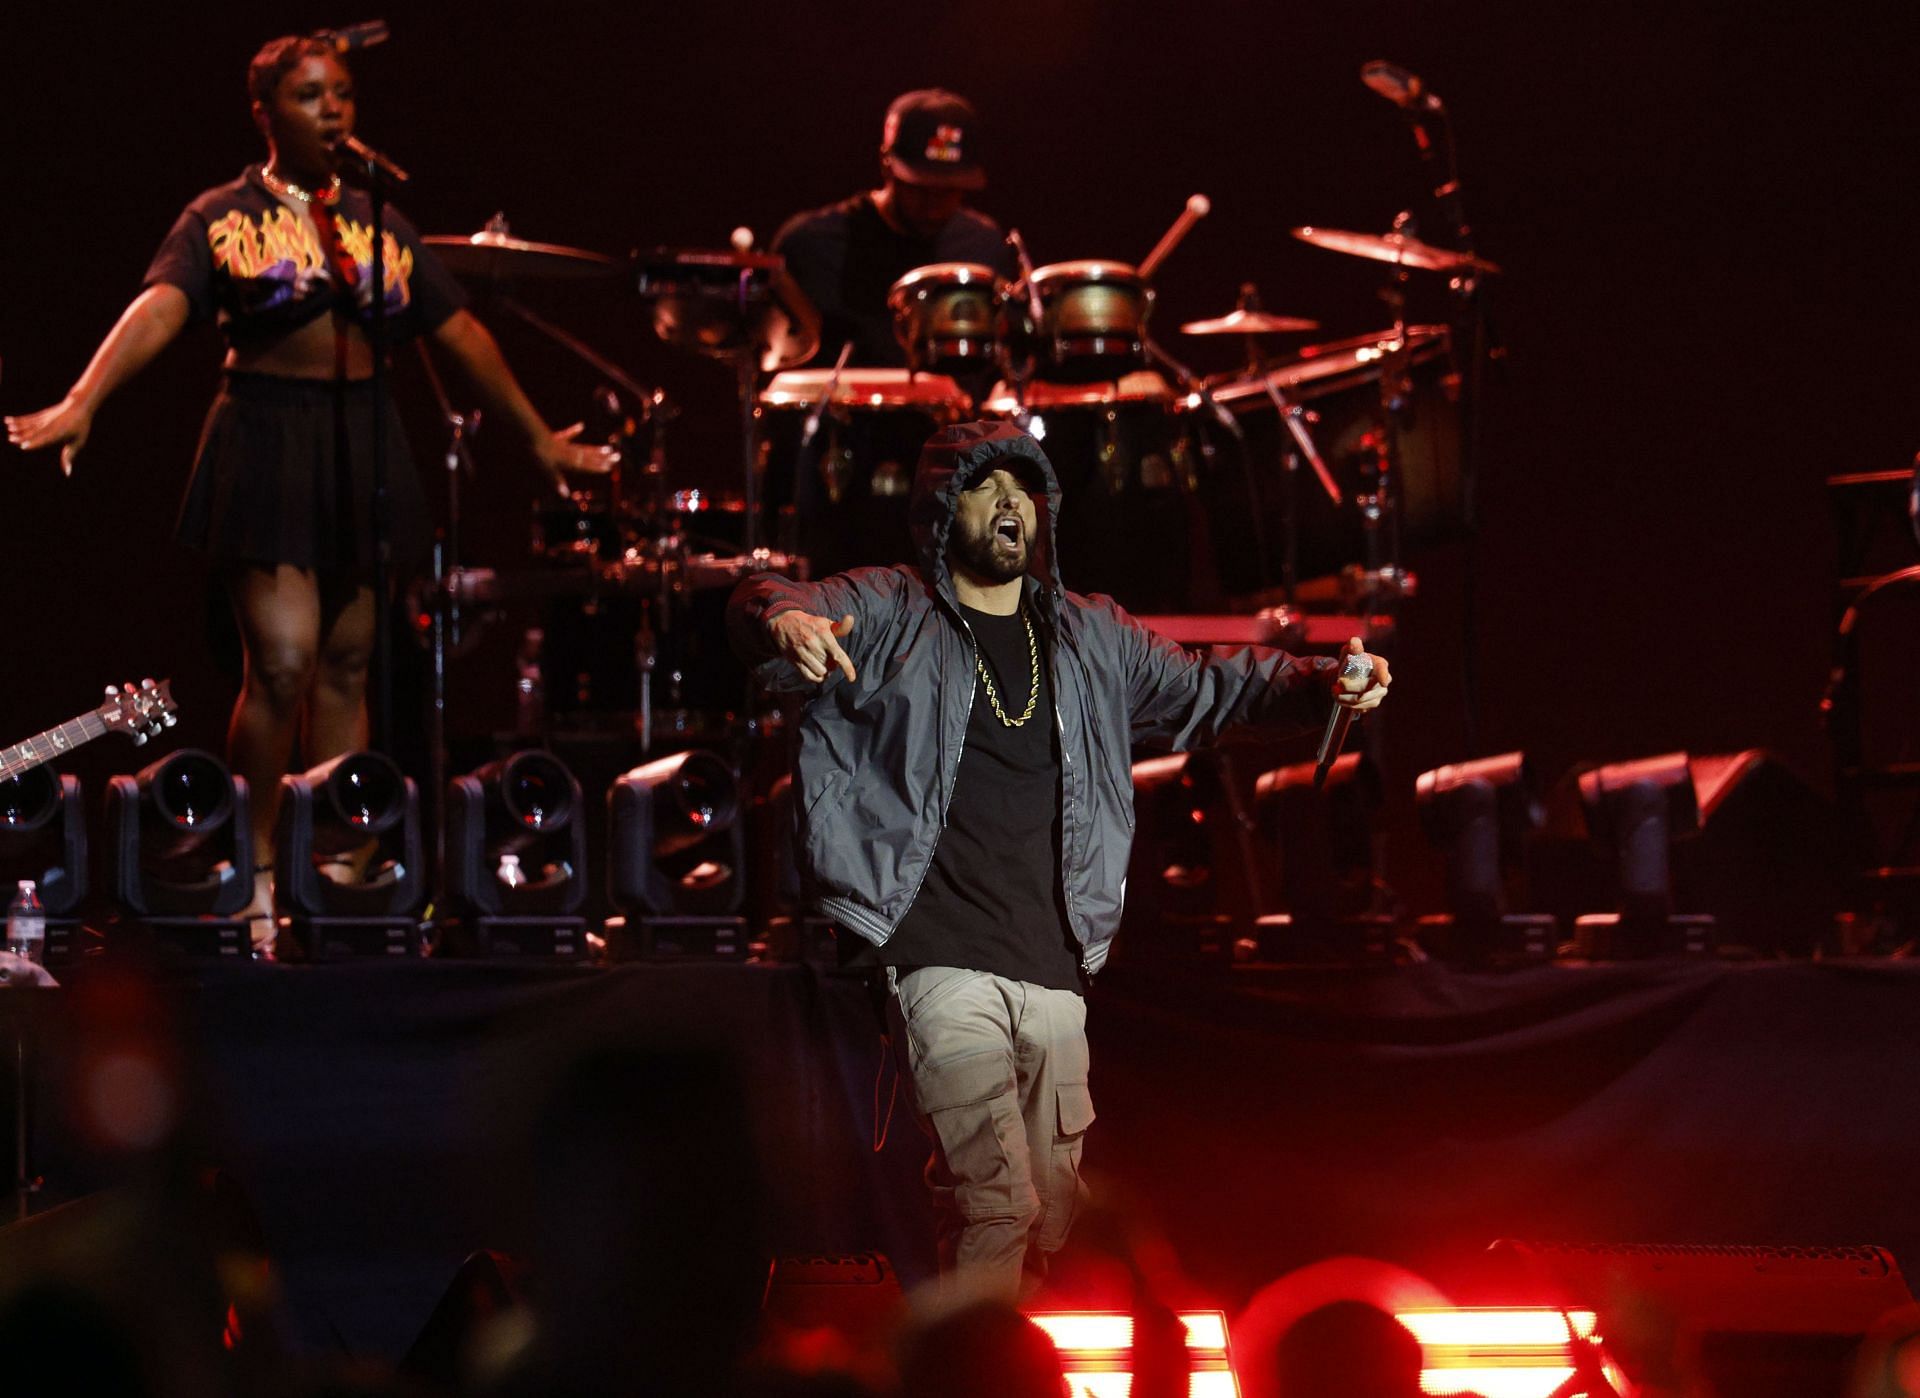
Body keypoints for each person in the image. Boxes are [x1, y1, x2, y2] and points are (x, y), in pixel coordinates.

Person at [726, 420, 1389, 1298]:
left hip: (1053, 959)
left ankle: (1006, 1358)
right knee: (993, 1198)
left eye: (1023, 489)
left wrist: (1320, 683)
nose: (1009, 504)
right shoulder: (892, 608)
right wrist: (786, 620)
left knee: (1051, 1211)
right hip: (936, 957)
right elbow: (760, 594)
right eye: (984, 486)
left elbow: (1208, 687)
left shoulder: (1092, 638)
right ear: (939, 507)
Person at [4, 33, 609, 942]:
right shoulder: (222, 214)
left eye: (344, 94)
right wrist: (85, 399)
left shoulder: (378, 219)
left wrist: (538, 442)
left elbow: (456, 333)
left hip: (361, 442)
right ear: (266, 113)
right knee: (281, 661)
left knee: (346, 664)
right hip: (265, 439)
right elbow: (163, 304)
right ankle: (247, 863)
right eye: (311, 96)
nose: (333, 111)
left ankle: (336, 859)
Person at [772, 89, 1018, 370]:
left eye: (949, 190)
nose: (934, 207)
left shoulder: (982, 245)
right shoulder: (810, 246)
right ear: (885, 163)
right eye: (920, 188)